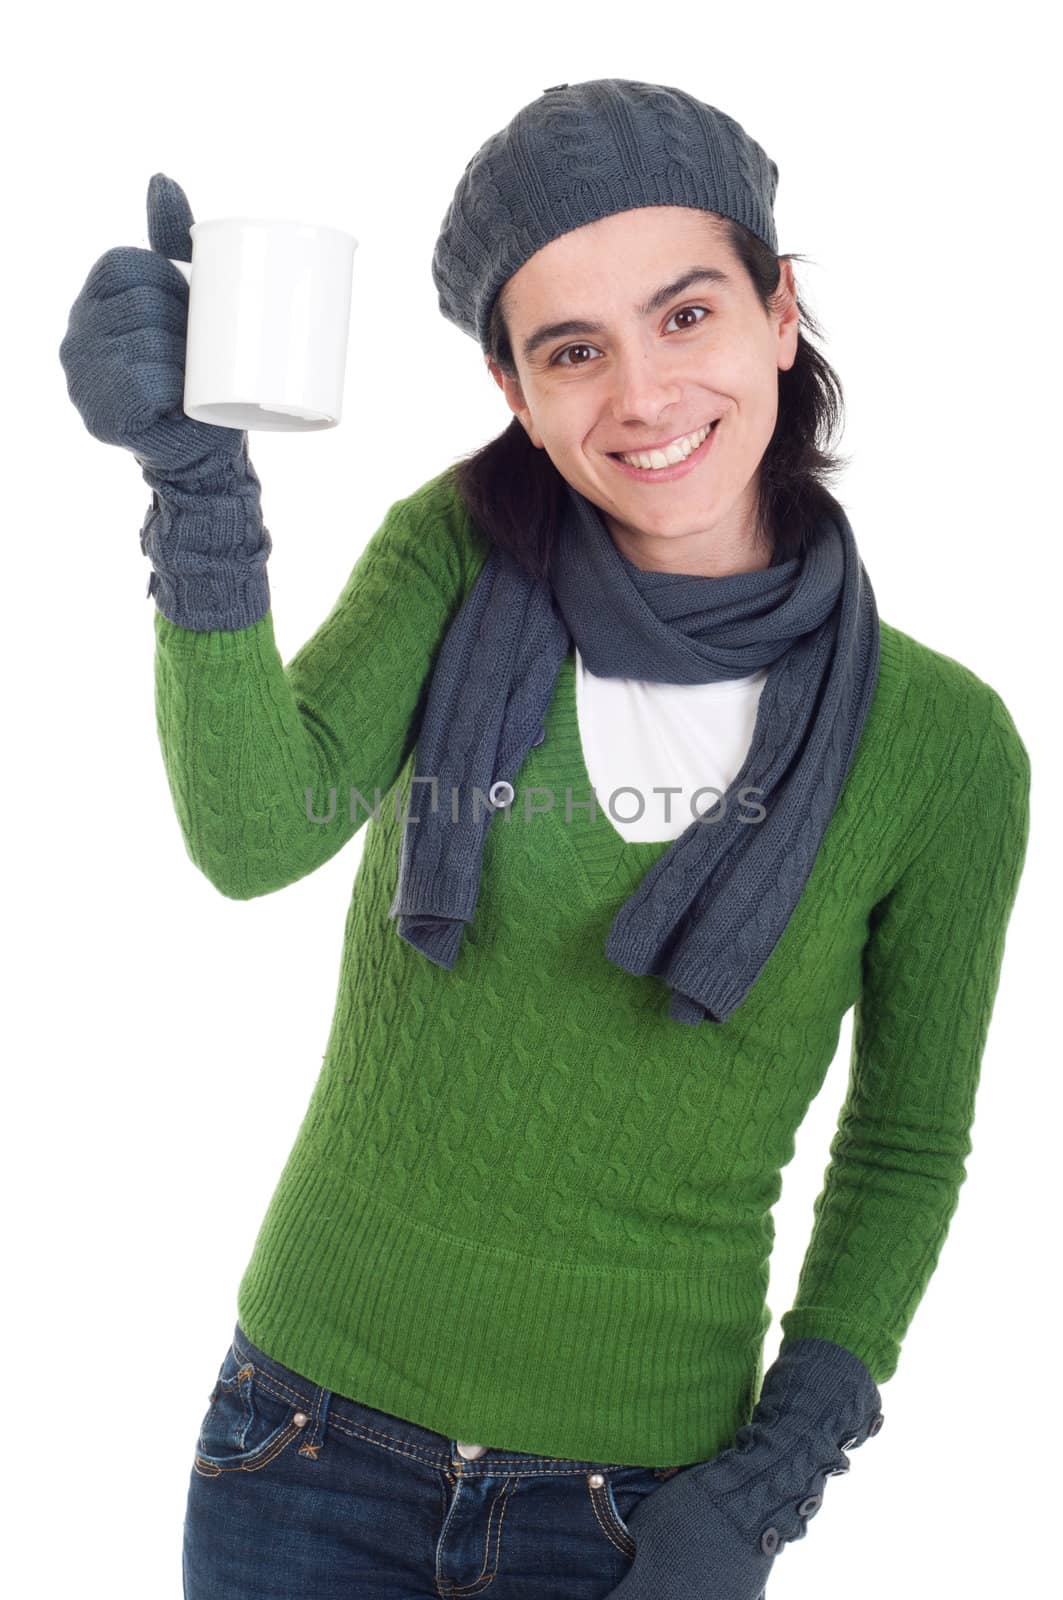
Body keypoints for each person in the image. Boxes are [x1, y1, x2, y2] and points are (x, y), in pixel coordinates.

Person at [58, 78, 1031, 1600]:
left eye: (687, 314)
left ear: (779, 311)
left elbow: (904, 1149)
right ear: (516, 387)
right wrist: (198, 489)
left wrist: (767, 1490)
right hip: (298, 1451)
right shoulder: (452, 559)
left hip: (631, 1511)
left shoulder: (946, 751)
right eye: (573, 350)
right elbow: (253, 835)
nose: (641, 395)